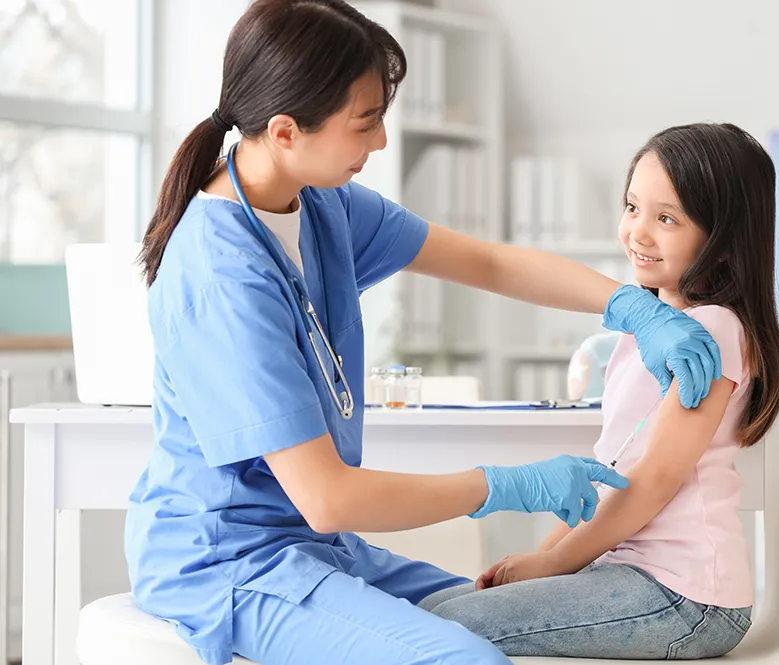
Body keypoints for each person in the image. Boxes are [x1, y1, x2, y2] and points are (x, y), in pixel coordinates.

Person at [125, 2, 722, 664]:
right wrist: (504, 484)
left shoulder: (323, 205)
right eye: (366, 121)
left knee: (499, 618)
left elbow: (489, 262)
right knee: (468, 658)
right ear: (287, 131)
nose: (380, 141)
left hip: (310, 545)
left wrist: (629, 306)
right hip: (229, 563)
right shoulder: (221, 277)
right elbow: (327, 497)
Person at [419, 123, 779, 661]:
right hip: (627, 573)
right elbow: (613, 469)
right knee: (427, 615)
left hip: (684, 597)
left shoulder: (710, 334)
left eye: (667, 219)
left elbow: (655, 479)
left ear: (724, 239)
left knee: (445, 626)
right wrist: (543, 553)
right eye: (632, 207)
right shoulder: (646, 329)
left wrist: (552, 565)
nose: (638, 233)